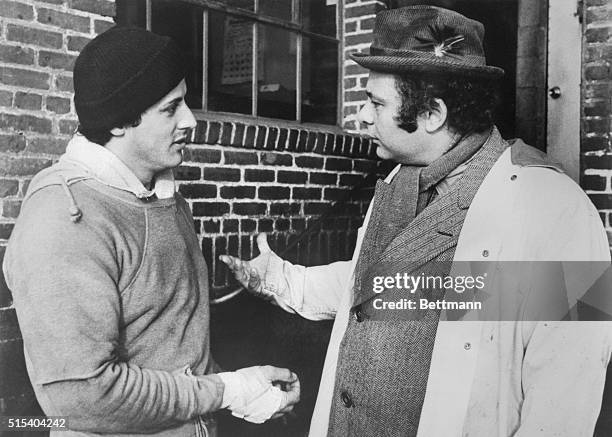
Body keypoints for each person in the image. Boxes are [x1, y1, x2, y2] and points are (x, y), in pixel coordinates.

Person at [220, 5, 612, 437]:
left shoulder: (557, 209)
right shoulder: (399, 183)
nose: (362, 117)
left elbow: (566, 393)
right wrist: (280, 279)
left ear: (432, 114)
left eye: (376, 103)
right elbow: (384, 289)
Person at [2, 26, 300, 437]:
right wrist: (226, 391)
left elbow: (170, 342)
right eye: (171, 108)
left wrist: (245, 393)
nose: (190, 120)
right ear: (121, 120)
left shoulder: (162, 196)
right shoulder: (62, 220)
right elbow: (84, 398)